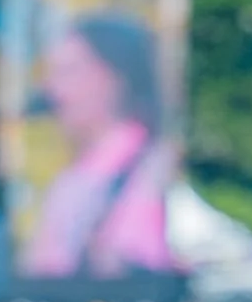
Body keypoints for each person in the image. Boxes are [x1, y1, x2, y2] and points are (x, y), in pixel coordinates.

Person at [21, 14, 178, 279]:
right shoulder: (76, 175)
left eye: (69, 71)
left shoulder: (156, 168)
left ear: (114, 77)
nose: (53, 89)